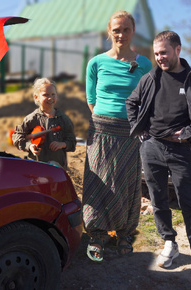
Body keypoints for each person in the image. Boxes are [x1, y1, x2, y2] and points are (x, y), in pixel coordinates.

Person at [126, 31, 191, 288]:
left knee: (189, 203)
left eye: (164, 53)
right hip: (151, 148)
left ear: (178, 50)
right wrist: (139, 131)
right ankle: (169, 242)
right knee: (158, 200)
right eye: (157, 54)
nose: (160, 58)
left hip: (180, 151)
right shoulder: (149, 79)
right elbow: (131, 103)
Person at [82, 10, 152, 262]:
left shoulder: (144, 64)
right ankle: (97, 234)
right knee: (97, 180)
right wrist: (106, 118)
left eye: (126, 29)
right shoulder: (96, 63)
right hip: (101, 129)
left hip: (129, 132)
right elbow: (91, 99)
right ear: (109, 32)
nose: (121, 34)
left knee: (127, 181)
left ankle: (124, 233)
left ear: (133, 32)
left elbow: (146, 99)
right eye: (116, 29)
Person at [12, 77, 76, 168]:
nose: (50, 98)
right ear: (36, 97)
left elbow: (72, 141)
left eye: (53, 94)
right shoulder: (31, 119)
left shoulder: (63, 119)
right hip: (36, 166)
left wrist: (62, 144)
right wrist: (29, 146)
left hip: (58, 167)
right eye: (46, 95)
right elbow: (17, 136)